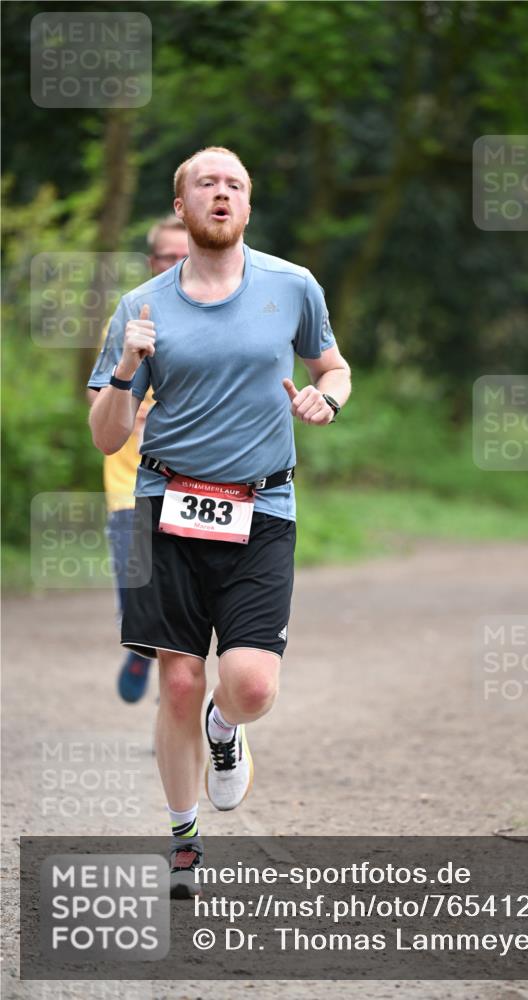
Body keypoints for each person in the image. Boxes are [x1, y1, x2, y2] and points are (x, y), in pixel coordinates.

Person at [87, 146, 352, 897]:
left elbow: (333, 366)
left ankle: (225, 729)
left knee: (251, 686)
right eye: (206, 183)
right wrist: (125, 371)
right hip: (164, 503)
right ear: (182, 208)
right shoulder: (140, 306)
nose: (221, 193)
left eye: (235, 183)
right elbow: (106, 434)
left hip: (262, 505)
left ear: (247, 204)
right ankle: (184, 837)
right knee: (176, 682)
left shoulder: (291, 286)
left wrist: (325, 397)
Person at [88, 216, 189, 703]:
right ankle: (138, 649)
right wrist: (132, 399)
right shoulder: (132, 317)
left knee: (184, 620)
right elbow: (96, 403)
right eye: (167, 257)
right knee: (138, 607)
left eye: (184, 256)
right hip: (131, 491)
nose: (177, 265)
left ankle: (177, 711)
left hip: (194, 492)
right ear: (153, 263)